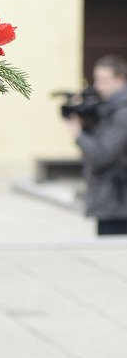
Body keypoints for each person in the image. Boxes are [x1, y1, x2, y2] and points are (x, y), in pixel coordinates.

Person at [66, 54, 127, 236]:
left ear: (121, 79)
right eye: (97, 79)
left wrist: (78, 133)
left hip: (117, 204)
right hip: (111, 202)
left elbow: (102, 155)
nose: (98, 86)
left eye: (104, 80)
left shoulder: (122, 113)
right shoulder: (107, 108)